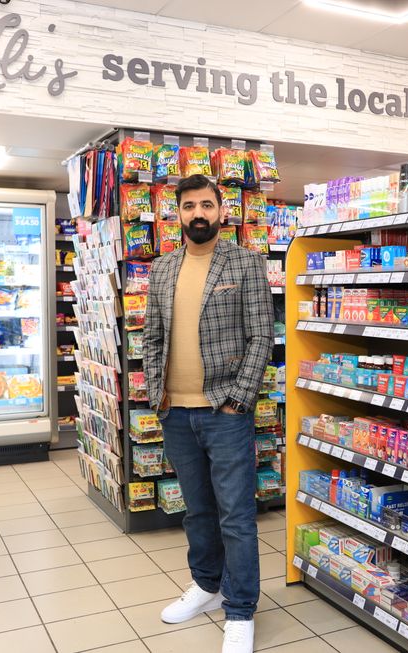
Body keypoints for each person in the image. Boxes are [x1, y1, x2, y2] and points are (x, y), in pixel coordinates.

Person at [144, 174, 274, 652]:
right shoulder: (162, 267)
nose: (198, 213)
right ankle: (207, 585)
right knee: (197, 511)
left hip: (225, 411)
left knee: (235, 517)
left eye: (206, 205)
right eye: (188, 206)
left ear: (222, 211)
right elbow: (152, 337)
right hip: (176, 413)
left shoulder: (246, 262)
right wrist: (156, 394)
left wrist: (240, 397)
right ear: (176, 214)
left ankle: (240, 609)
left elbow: (262, 335)